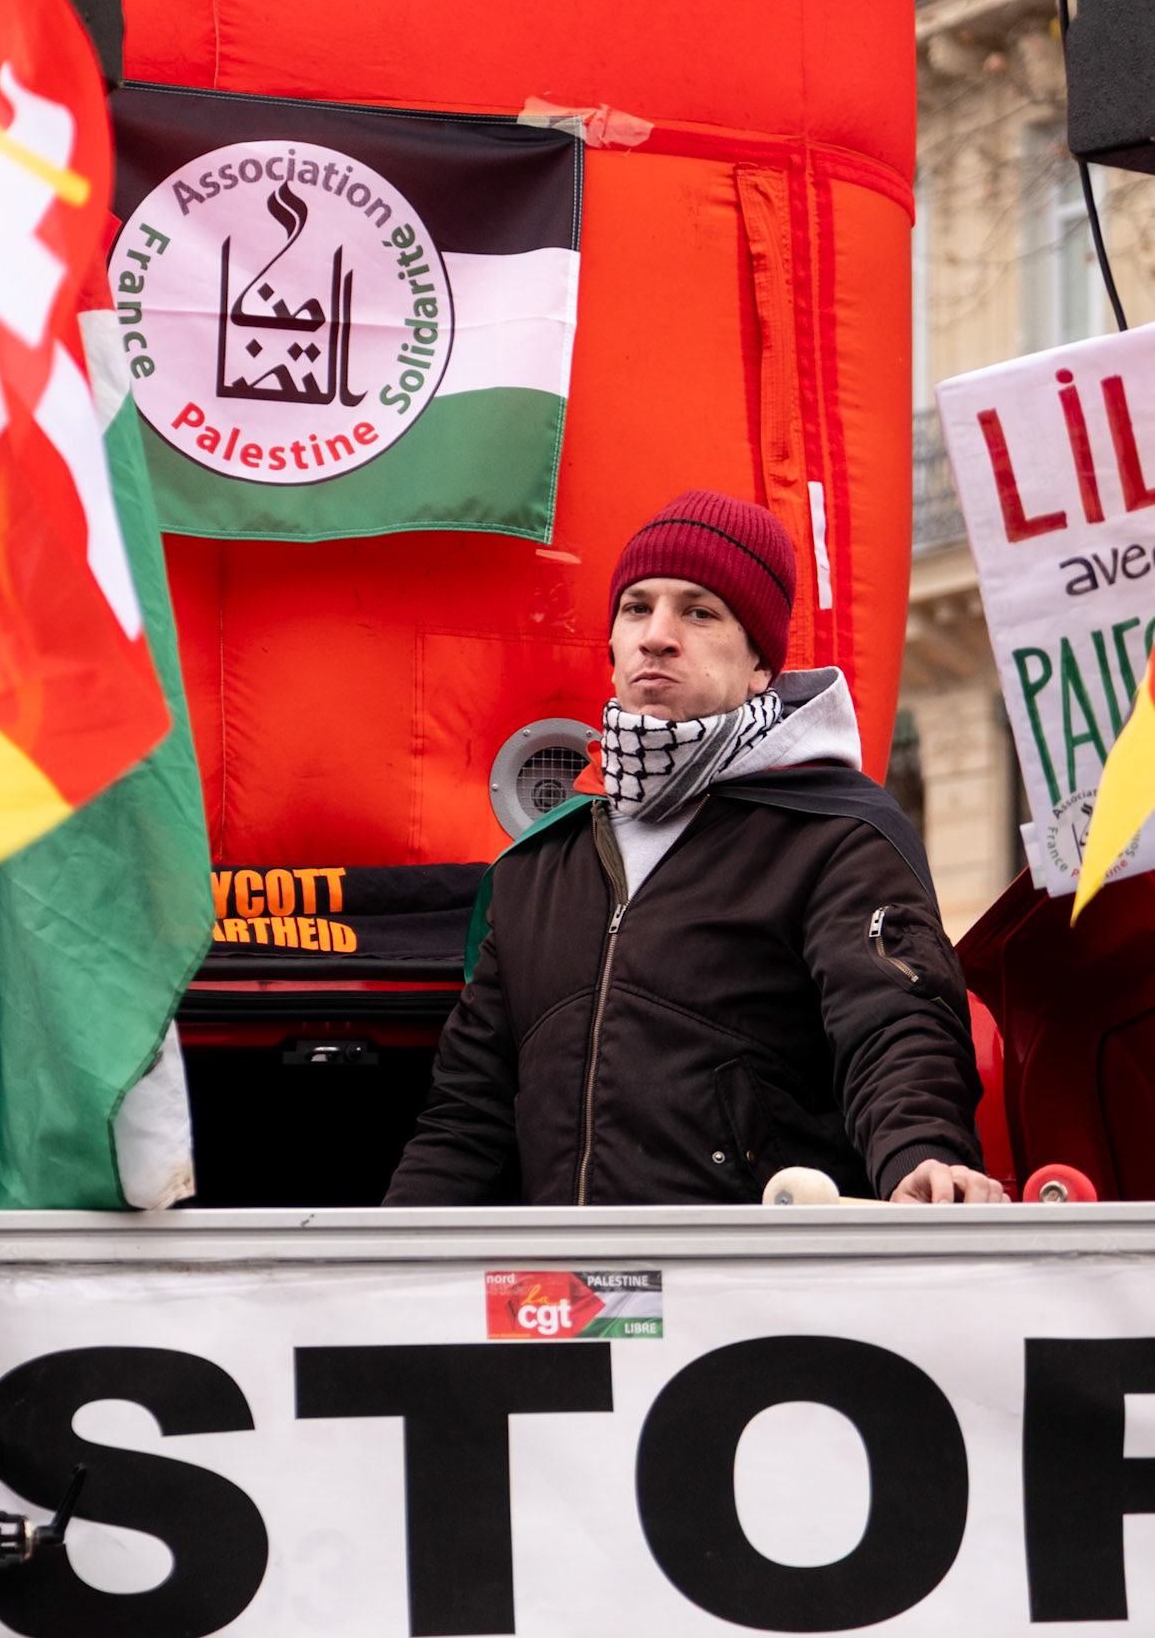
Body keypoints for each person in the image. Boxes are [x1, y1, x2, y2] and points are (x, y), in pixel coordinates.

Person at [386, 488, 1005, 1208]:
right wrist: (390, 1254)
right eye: (636, 608)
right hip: (561, 1275)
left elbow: (894, 1023)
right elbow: (467, 1116)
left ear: (760, 665)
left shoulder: (836, 835)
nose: (657, 635)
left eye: (699, 612)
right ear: (612, 648)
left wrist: (920, 1156)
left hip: (745, 1268)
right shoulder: (536, 867)